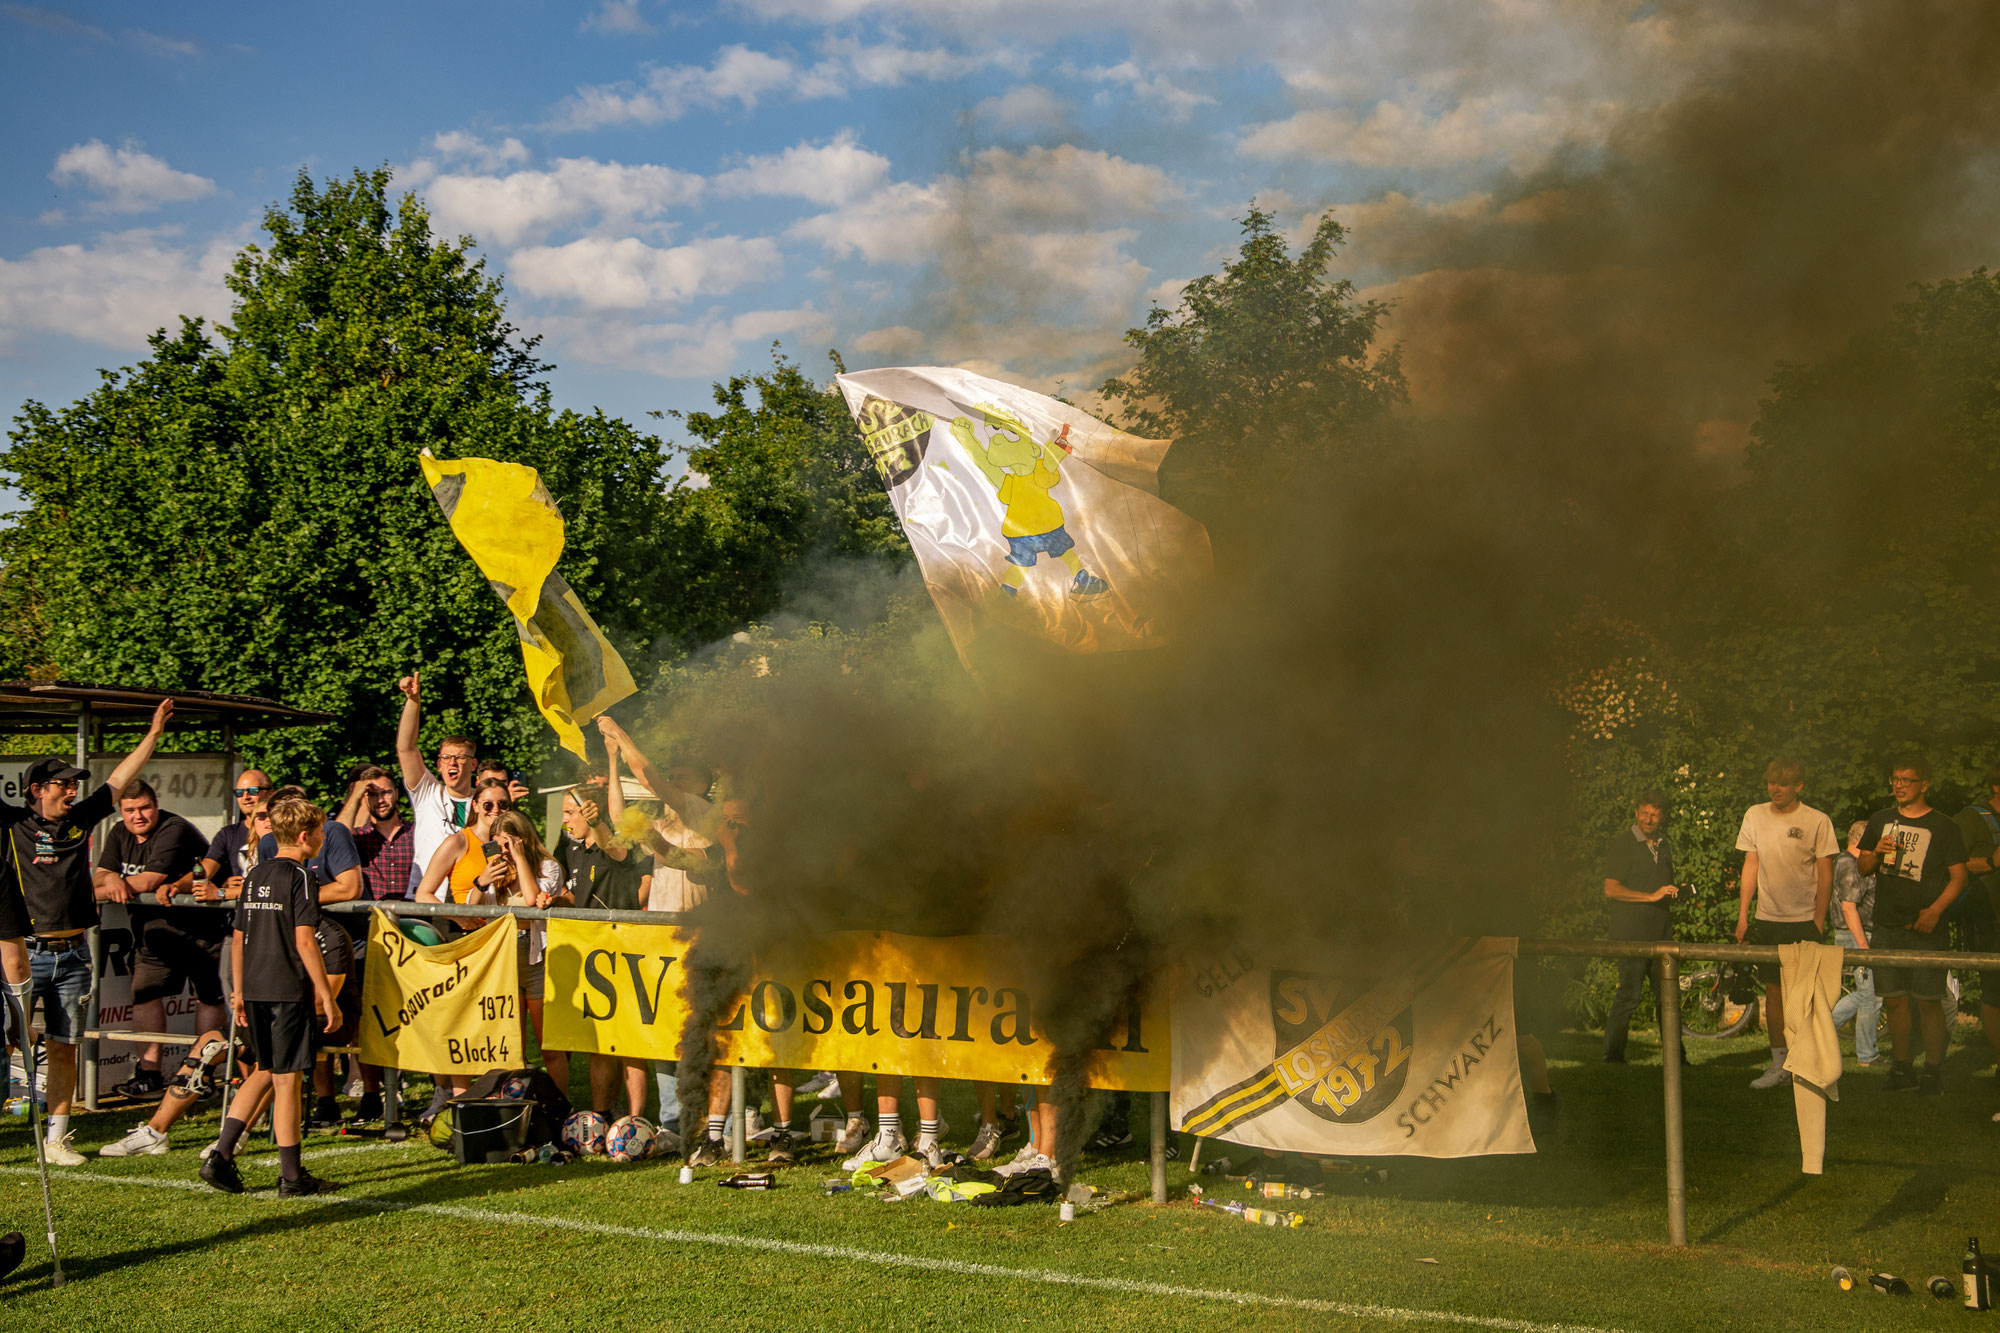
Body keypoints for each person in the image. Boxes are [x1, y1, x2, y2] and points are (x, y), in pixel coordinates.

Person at [0, 699, 174, 1167]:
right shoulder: (12, 823)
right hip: (23, 953)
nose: (73, 790)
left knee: (63, 1048)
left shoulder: (80, 820)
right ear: (36, 789)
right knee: (6, 1044)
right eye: (63, 783)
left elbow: (118, 779)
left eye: (75, 783)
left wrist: (154, 732)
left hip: (74, 954)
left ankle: (57, 1140)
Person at [201, 792, 342, 1197]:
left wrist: (240, 990)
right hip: (286, 991)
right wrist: (326, 996)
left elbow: (239, 935)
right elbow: (305, 941)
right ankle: (292, 1178)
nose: (321, 838)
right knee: (287, 1082)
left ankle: (221, 1155)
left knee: (265, 1069)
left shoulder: (255, 875)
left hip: (257, 989)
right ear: (303, 836)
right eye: (318, 832)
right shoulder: (302, 877)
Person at [92, 780, 221, 1097]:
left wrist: (100, 889)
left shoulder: (174, 827)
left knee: (209, 998)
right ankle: (149, 1075)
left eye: (145, 808)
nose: (138, 816)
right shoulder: (119, 832)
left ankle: (200, 1075)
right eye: (130, 810)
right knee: (144, 995)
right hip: (153, 933)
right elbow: (101, 872)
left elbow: (151, 880)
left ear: (156, 804)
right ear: (120, 811)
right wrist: (113, 881)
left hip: (202, 930)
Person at [1856, 755, 1969, 1095]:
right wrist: (1875, 851)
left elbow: (1959, 877)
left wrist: (1935, 910)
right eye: (1895, 779)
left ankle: (1933, 1071)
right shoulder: (1881, 819)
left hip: (1926, 930)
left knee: (1928, 1001)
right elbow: (1863, 868)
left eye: (1906, 779)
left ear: (1925, 784)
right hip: (1887, 926)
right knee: (1894, 1000)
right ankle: (1902, 1066)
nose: (1899, 785)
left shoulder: (1944, 826)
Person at [1733, 757, 1839, 1090]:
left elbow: (1825, 874)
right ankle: (1780, 1065)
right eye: (1771, 783)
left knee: (1804, 998)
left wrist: (1818, 921)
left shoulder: (1817, 820)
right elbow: (1751, 865)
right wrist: (1742, 917)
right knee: (1774, 995)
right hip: (1767, 920)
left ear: (1799, 786)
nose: (1775, 789)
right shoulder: (1755, 814)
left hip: (1804, 921)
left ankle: (1806, 1064)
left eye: (1783, 783)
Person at [491, 809, 571, 1092]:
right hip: (503, 958)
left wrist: (521, 858)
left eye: (508, 843)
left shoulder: (548, 867)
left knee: (548, 1045)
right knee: (511, 1048)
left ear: (523, 838)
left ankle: (561, 1106)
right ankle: (512, 1107)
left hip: (536, 957)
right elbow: (470, 905)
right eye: (498, 844)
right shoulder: (496, 869)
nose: (504, 851)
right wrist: (482, 878)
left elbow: (530, 898)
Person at [1601, 789, 1680, 1065]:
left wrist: (1673, 892)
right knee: (1629, 996)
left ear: (1662, 816)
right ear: (1636, 813)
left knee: (1668, 999)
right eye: (1645, 813)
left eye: (1655, 814)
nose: (1649, 819)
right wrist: (1650, 896)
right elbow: (1610, 890)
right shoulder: (1623, 844)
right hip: (1631, 934)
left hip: (1661, 934)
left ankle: (1676, 1058)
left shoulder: (1664, 845)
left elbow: (1658, 886)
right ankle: (1613, 1056)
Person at [393, 673, 479, 895]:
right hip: (427, 896)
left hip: (471, 898)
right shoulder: (427, 793)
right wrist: (413, 701)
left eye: (460, 758)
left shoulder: (485, 802)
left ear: (473, 765)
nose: (453, 763)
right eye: (446, 758)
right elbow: (406, 748)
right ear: (438, 765)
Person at [1951, 766, 2000, 1082]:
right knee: (1995, 992)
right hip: (1991, 922)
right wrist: (1993, 862)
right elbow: (1950, 863)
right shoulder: (1972, 818)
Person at [1830, 820, 1884, 1066]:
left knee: (1866, 994)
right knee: (1871, 996)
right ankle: (1867, 1055)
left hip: (1857, 933)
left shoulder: (1847, 862)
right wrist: (1863, 945)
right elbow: (1849, 907)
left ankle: (1821, 1028)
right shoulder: (1850, 864)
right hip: (1855, 935)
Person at [340, 765, 415, 902]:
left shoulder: (416, 834)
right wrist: (355, 795)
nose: (380, 800)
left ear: (396, 793)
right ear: (365, 798)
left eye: (386, 793)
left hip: (414, 918)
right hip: (373, 919)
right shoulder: (360, 837)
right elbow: (337, 837)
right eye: (373, 795)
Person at [200, 768, 273, 902]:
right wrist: (175, 886)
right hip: (239, 917)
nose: (246, 797)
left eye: (253, 791)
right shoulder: (227, 834)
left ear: (270, 793)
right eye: (239, 793)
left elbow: (272, 886)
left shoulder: (284, 832)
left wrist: (222, 892)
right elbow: (203, 873)